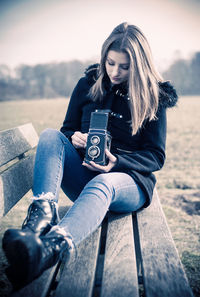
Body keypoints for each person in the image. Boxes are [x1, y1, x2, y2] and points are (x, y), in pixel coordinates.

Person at [2, 22, 178, 290]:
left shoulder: (154, 95)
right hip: (85, 176)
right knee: (50, 135)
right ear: (103, 57)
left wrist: (116, 161)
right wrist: (74, 138)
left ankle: (50, 248)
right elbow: (66, 130)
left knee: (103, 182)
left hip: (129, 184)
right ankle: (40, 219)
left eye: (124, 66)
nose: (114, 72)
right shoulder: (88, 82)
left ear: (139, 65)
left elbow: (156, 156)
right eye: (110, 63)